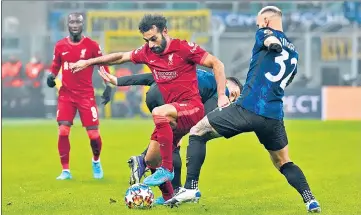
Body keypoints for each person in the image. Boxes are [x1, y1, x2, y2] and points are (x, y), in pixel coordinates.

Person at [165, 6, 321, 213]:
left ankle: (190, 188)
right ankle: (310, 200)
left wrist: (271, 42)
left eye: (258, 22)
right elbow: (288, 79)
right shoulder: (294, 52)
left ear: (265, 20)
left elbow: (268, 40)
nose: (258, 26)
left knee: (197, 132)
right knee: (283, 161)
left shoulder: (265, 33)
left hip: (247, 108)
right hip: (273, 117)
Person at [70, 14, 229, 199]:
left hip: (191, 108)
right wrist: (88, 62)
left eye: (154, 39)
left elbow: (217, 64)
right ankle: (170, 198)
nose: (151, 44)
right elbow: (122, 56)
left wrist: (222, 96)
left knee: (158, 112)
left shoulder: (184, 48)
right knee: (150, 160)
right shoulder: (147, 52)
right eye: (147, 40)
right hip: (172, 116)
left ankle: (167, 169)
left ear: (165, 31)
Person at [98, 68, 242, 204]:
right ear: (228, 83)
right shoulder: (221, 88)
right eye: (235, 94)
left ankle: (170, 193)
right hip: (170, 99)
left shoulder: (197, 74)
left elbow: (151, 77)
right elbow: (201, 122)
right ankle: (145, 161)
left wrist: (118, 81)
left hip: (154, 96)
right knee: (185, 135)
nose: (232, 99)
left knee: (169, 146)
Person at [47, 12, 112, 180]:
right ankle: (65, 170)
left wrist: (108, 85)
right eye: (72, 22)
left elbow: (102, 65)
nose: (74, 25)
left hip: (85, 96)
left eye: (78, 22)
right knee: (62, 131)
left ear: (82, 25)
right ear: (67, 25)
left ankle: (96, 161)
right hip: (66, 95)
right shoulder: (60, 45)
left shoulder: (91, 45)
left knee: (94, 136)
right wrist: (51, 77)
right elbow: (55, 66)